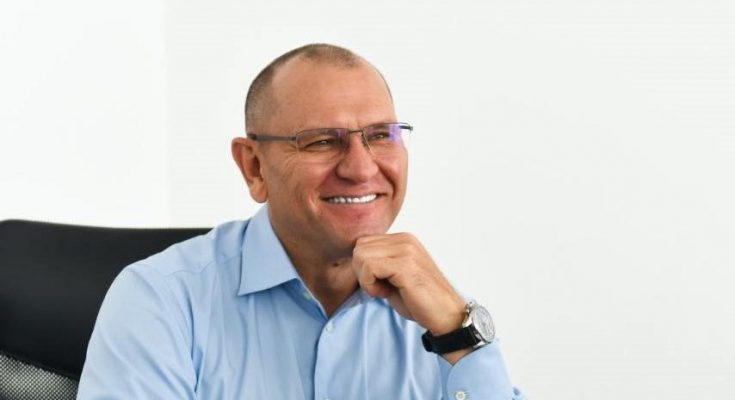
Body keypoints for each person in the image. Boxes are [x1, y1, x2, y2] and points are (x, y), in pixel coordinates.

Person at [77, 43, 525, 399]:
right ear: (254, 167)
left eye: (379, 136)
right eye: (322, 141)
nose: (361, 168)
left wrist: (460, 336)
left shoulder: (441, 315)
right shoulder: (161, 302)